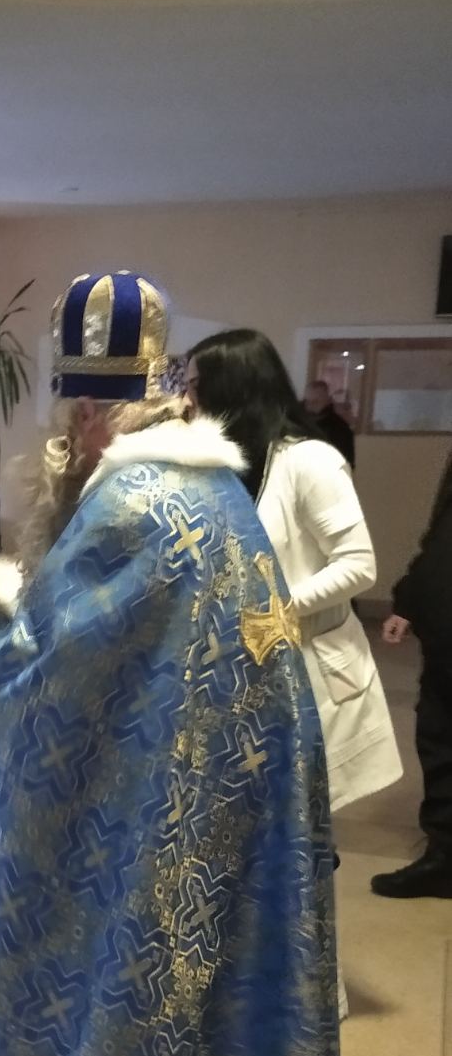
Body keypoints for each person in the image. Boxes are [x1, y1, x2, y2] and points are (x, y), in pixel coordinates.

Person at [0, 272, 346, 1056]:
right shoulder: (213, 487)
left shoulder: (131, 501)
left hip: (176, 784)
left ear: (86, 408)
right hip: (242, 769)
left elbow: (46, 678)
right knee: (219, 958)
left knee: (140, 943)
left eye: (71, 413)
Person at [187, 331, 401, 1013]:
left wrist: (278, 608)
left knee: (303, 843)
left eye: (196, 385)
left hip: (312, 676)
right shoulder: (235, 464)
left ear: (232, 389)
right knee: (265, 843)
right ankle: (262, 989)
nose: (187, 398)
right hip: (259, 676)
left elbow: (359, 565)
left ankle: (313, 1000)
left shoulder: (309, 460)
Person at [372, 451, 452, 898]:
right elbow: (440, 533)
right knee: (438, 736)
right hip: (443, 627)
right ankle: (444, 857)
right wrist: (409, 600)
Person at [303, 378, 357, 469]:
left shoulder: (340, 428)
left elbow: (347, 463)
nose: (310, 406)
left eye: (316, 402)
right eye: (307, 402)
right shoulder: (297, 422)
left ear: (327, 400)